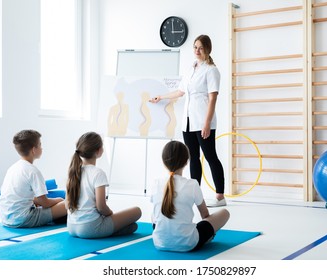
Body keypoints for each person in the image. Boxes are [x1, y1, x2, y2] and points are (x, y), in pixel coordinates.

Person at [150, 34, 226, 207]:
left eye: (200, 47)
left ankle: (220, 196)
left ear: (207, 49)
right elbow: (180, 92)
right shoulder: (191, 69)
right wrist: (160, 97)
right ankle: (196, 195)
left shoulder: (211, 70)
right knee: (193, 158)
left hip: (203, 121)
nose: (197, 51)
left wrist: (207, 123)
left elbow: (213, 98)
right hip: (189, 121)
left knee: (210, 156)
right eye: (195, 47)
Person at [151, 140, 230, 252]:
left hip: (159, 242)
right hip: (188, 244)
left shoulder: (156, 182)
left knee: (154, 214)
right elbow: (205, 215)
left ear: (164, 162)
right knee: (224, 213)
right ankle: (204, 238)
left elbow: (154, 218)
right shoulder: (192, 184)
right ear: (186, 162)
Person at [66, 131, 142, 239]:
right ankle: (107, 230)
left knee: (132, 227)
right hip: (90, 227)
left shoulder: (73, 172)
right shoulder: (98, 173)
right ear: (99, 151)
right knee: (137, 211)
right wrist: (111, 214)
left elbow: (67, 204)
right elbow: (101, 207)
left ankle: (109, 230)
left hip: (71, 227)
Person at [0, 130, 67, 228]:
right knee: (67, 204)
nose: (42, 148)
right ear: (34, 150)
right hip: (23, 219)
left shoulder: (13, 168)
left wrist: (36, 202)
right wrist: (59, 199)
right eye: (40, 145)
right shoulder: (33, 171)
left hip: (6, 218)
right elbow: (45, 203)